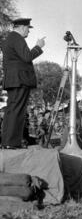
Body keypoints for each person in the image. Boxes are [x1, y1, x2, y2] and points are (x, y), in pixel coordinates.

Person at [1, 18, 45, 149]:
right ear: (20, 27)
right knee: (17, 111)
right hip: (20, 80)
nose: (28, 31)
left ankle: (9, 142)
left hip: (13, 80)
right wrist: (38, 46)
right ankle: (12, 143)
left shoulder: (9, 38)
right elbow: (27, 56)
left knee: (12, 111)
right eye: (27, 28)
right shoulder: (17, 38)